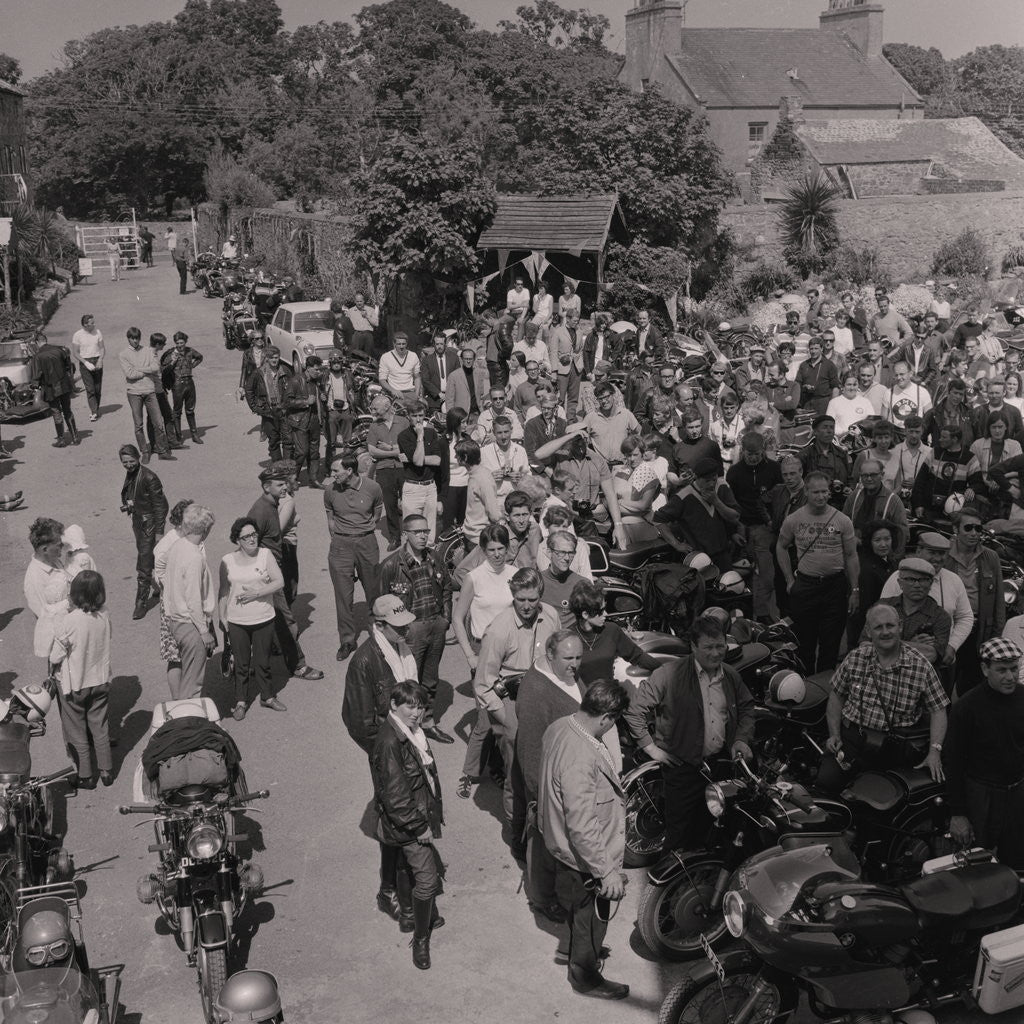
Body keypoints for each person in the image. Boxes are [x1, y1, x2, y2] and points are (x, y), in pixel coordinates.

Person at [623, 614, 755, 852]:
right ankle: (675, 875)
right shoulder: (668, 674)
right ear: (693, 647)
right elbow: (635, 711)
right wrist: (651, 748)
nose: (715, 653)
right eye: (708, 647)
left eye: (720, 646)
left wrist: (741, 739)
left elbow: (746, 707)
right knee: (678, 837)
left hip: (719, 767)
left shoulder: (730, 676)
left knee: (713, 830)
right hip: (682, 770)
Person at [539, 680, 631, 1000]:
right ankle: (585, 976)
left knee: (580, 913)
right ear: (606, 718)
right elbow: (582, 825)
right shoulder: (581, 758)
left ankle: (582, 952)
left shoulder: (561, 726)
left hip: (560, 845)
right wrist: (605, 872)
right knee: (592, 918)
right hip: (583, 857)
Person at [341, 596, 418, 926]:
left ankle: (403, 885)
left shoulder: (401, 649)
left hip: (409, 745)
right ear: (379, 625)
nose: (406, 630)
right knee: (395, 820)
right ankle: (392, 894)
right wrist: (388, 751)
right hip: (388, 752)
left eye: (406, 624)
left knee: (406, 815)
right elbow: (359, 722)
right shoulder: (364, 661)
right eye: (399, 626)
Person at [816, 602, 949, 795]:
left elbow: (939, 710)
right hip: (852, 738)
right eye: (878, 627)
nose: (885, 632)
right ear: (868, 632)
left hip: (892, 747)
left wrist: (934, 751)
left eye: (890, 625)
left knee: (879, 801)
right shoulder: (855, 657)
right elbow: (836, 696)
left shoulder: (921, 666)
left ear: (900, 627)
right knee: (824, 785)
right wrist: (834, 734)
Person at [460, 566, 560, 805]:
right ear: (513, 595)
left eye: (532, 600)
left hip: (543, 696)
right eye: (520, 599)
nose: (526, 606)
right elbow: (483, 685)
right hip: (511, 700)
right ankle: (516, 821)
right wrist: (507, 721)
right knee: (516, 772)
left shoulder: (551, 616)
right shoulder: (498, 630)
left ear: (540, 595)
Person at [370, 680, 445, 970]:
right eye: (409, 707)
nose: (416, 713)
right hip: (410, 823)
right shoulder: (392, 742)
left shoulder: (409, 732)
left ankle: (418, 916)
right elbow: (397, 797)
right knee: (427, 881)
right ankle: (421, 940)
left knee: (410, 869)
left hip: (414, 816)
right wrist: (420, 826)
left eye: (420, 707)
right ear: (394, 705)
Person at [514, 631, 586, 922]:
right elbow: (530, 750)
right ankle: (542, 899)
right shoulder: (536, 693)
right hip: (548, 785)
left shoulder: (566, 673)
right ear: (550, 655)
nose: (575, 664)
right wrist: (539, 796)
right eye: (568, 658)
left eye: (579, 657)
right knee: (543, 842)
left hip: (571, 775)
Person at [944, 638, 1024, 869]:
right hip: (980, 796)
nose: (1010, 677)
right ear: (985, 669)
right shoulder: (966, 708)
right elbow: (953, 762)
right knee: (974, 864)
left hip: (1018, 793)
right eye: (1002, 670)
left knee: (1017, 862)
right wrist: (958, 814)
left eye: (1014, 669)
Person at [379, 514, 454, 743]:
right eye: (417, 532)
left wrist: (445, 619)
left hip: (436, 626)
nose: (423, 536)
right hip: (411, 631)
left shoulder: (435, 557)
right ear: (405, 535)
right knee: (408, 681)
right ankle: (404, 728)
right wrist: (396, 633)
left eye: (425, 531)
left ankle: (428, 723)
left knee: (430, 680)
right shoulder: (391, 565)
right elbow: (381, 603)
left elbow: (447, 588)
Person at [776, 471, 859, 673]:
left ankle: (823, 686)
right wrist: (789, 579)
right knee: (805, 643)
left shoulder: (842, 520)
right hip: (806, 586)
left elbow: (851, 556)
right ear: (806, 491)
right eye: (816, 492)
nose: (821, 496)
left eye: (824, 491)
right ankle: (804, 685)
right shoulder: (794, 519)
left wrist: (855, 590)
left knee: (831, 644)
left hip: (835, 587)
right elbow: (781, 547)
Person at [248, 466, 324, 681]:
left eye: (285, 483)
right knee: (285, 620)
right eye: (280, 484)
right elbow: (247, 542)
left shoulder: (272, 504)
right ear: (266, 487)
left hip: (271, 570)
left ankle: (252, 664)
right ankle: (298, 665)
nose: (285, 487)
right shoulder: (261, 511)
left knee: (271, 620)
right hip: (266, 574)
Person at [49, 570, 113, 789]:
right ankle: (106, 770)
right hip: (100, 680)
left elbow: (55, 656)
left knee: (77, 730)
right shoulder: (104, 614)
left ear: (75, 594)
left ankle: (86, 775)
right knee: (100, 727)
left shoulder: (69, 621)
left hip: (74, 683)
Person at [218, 516, 286, 721]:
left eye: (254, 534)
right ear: (237, 540)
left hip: (263, 617)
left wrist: (257, 593)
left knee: (262, 661)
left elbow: (279, 582)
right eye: (246, 536)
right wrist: (222, 616)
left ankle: (268, 696)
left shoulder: (265, 555)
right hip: (237, 621)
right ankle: (240, 701)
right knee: (241, 664)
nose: (251, 539)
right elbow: (223, 590)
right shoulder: (227, 561)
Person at [323, 453, 383, 662]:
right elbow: (330, 519)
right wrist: (338, 539)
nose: (332, 474)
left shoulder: (373, 488)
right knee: (343, 596)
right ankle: (347, 640)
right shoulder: (330, 491)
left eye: (336, 470)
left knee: (374, 590)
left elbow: (376, 514)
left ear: (349, 471)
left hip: (366, 543)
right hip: (341, 546)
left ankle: (379, 634)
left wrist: (362, 530)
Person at [946, 506, 1005, 695]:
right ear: (956, 529)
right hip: (951, 630)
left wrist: (996, 634)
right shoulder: (945, 556)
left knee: (972, 689)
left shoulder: (990, 557)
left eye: (978, 528)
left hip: (980, 632)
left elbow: (999, 600)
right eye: (968, 528)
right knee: (944, 685)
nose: (974, 533)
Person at [161, 504, 217, 699]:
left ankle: (182, 709)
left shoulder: (177, 546)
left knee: (186, 677)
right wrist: (204, 631)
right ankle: (187, 714)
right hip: (190, 625)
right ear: (205, 529)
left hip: (175, 620)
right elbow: (193, 598)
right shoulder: (194, 557)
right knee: (192, 684)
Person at [726, 433, 782, 622]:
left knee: (766, 574)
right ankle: (745, 614)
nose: (753, 458)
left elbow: (780, 497)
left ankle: (763, 613)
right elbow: (730, 502)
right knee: (744, 572)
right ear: (742, 451)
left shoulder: (774, 469)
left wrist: (774, 523)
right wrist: (734, 530)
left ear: (763, 451)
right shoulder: (734, 472)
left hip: (765, 528)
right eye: (749, 454)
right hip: (742, 527)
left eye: (757, 454)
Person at [655, 456, 741, 570]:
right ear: (697, 478)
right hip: (699, 558)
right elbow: (658, 519)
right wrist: (676, 544)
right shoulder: (683, 496)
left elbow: (735, 517)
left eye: (714, 479)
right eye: (707, 481)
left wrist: (716, 502)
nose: (711, 484)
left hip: (723, 553)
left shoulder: (721, 487)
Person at [570, 580, 659, 686]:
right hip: (581, 695)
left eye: (605, 609)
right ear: (585, 614)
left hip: (609, 693)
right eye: (601, 611)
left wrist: (665, 670)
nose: (606, 614)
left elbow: (638, 656)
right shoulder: (567, 639)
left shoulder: (612, 630)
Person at [119, 444, 168, 620]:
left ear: (138, 458)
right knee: (149, 557)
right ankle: (161, 586)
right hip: (138, 522)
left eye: (131, 461)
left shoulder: (149, 477)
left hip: (149, 525)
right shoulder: (133, 473)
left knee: (144, 563)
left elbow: (161, 506)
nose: (128, 465)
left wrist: (159, 532)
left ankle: (141, 603)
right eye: (125, 462)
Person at [874, 557, 953, 666]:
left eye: (923, 580)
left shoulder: (940, 616)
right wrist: (912, 645)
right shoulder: (882, 607)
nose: (917, 585)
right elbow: (865, 645)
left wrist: (886, 643)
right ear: (900, 583)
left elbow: (931, 654)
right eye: (910, 579)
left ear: (931, 584)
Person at [153, 498, 194, 693]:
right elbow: (160, 577)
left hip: (193, 602)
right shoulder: (167, 544)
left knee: (193, 654)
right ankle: (177, 701)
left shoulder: (194, 537)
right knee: (175, 656)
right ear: (181, 521)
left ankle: (191, 696)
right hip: (174, 605)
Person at [23, 517, 70, 671]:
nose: (62, 546)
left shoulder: (54, 561)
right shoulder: (35, 579)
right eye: (59, 545)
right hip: (60, 641)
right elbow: (46, 616)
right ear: (44, 549)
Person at [120, 327, 170, 463]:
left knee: (158, 422)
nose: (135, 341)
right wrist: (146, 372)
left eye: (137, 338)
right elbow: (129, 374)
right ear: (128, 339)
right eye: (132, 338)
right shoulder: (123, 354)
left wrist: (138, 369)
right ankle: (145, 452)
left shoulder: (148, 351)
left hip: (149, 391)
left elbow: (156, 368)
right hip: (134, 393)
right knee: (139, 425)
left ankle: (161, 451)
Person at [366, 394, 409, 550]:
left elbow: (408, 446)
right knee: (390, 505)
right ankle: (395, 537)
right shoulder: (374, 426)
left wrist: (388, 448)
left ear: (386, 407)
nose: (372, 411)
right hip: (384, 469)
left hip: (404, 468)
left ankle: (412, 534)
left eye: (375, 408)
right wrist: (395, 452)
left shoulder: (403, 422)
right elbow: (372, 450)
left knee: (409, 503)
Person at [847, 519, 899, 648]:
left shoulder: (889, 562)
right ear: (869, 542)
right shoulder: (866, 568)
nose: (883, 544)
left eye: (887, 539)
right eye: (877, 540)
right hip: (868, 630)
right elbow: (866, 607)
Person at [843, 458, 909, 556]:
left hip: (880, 555)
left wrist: (894, 558)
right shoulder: (854, 496)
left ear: (882, 475)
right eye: (865, 475)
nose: (869, 479)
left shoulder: (893, 500)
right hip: (855, 552)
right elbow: (843, 523)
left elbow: (902, 533)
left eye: (873, 475)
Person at [281, 355, 325, 488]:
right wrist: (305, 402)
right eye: (316, 369)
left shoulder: (317, 381)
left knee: (314, 452)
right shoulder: (295, 381)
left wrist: (322, 397)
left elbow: (318, 397)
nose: (319, 372)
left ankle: (313, 479)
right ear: (308, 368)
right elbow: (286, 402)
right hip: (300, 422)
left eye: (320, 369)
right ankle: (291, 479)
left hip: (314, 420)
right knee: (301, 452)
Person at [244, 345, 292, 463]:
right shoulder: (259, 373)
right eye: (272, 358)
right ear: (267, 358)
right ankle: (277, 465)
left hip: (284, 411)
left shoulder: (285, 370)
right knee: (274, 440)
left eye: (276, 357)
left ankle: (287, 466)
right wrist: (254, 407)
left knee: (288, 440)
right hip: (268, 412)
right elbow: (249, 389)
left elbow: (293, 387)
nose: (274, 360)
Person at [967, 413, 1023, 514]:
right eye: (994, 427)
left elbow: (1018, 470)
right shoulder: (977, 444)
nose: (997, 431)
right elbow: (971, 470)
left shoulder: (1015, 445)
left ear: (1006, 427)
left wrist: (999, 479)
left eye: (1000, 427)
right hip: (982, 484)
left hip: (1005, 484)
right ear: (988, 428)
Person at [30, 335, 79, 448]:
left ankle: (61, 439)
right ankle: (75, 437)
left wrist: (35, 386)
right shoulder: (60, 350)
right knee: (67, 410)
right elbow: (69, 366)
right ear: (45, 340)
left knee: (56, 412)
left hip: (50, 388)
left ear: (37, 342)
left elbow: (36, 375)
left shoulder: (37, 356)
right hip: (64, 385)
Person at [161, 331, 204, 445]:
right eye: (177, 343)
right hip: (177, 384)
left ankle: (194, 434)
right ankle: (179, 436)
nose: (180, 345)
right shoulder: (171, 353)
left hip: (189, 382)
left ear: (185, 342)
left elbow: (200, 357)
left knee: (190, 410)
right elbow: (163, 368)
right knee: (177, 411)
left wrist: (192, 366)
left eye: (182, 343)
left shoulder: (190, 351)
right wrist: (172, 362)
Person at [581, 383, 640, 465]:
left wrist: (633, 451)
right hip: (601, 466)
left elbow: (639, 432)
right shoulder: (591, 417)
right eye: (600, 399)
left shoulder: (626, 414)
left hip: (623, 465)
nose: (604, 401)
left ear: (613, 395)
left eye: (606, 397)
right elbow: (580, 438)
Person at [461, 438, 504, 551]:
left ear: (465, 457)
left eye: (457, 455)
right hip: (471, 534)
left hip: (479, 538)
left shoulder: (482, 478)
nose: (455, 457)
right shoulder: (474, 474)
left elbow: (494, 514)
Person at [539, 531, 587, 628]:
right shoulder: (537, 580)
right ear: (549, 552)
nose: (567, 558)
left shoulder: (582, 584)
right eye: (562, 552)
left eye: (571, 553)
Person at [479, 416, 528, 502]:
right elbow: (477, 480)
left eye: (506, 432)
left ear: (511, 430)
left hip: (517, 500)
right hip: (494, 499)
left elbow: (529, 477)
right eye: (499, 433)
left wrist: (521, 478)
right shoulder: (484, 452)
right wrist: (489, 478)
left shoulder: (521, 450)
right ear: (493, 432)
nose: (503, 436)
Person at [70, 314, 105, 421]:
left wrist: (100, 360)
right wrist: (86, 363)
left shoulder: (97, 332)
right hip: (85, 363)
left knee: (97, 389)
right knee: (90, 389)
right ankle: (94, 412)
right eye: (92, 323)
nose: (94, 324)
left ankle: (96, 408)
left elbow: (102, 348)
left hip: (97, 360)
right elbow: (75, 352)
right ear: (85, 325)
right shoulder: (77, 335)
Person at [323, 353, 354, 466]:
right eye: (334, 363)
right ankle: (329, 467)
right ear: (330, 363)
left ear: (342, 363)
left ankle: (347, 465)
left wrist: (352, 403)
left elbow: (353, 389)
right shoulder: (325, 375)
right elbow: (320, 389)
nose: (336, 365)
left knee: (348, 441)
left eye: (338, 362)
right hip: (331, 411)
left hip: (346, 410)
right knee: (331, 442)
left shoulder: (347, 374)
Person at [796, 337, 840, 415]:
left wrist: (833, 406)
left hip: (823, 403)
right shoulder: (803, 365)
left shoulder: (829, 365)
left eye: (816, 348)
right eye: (811, 349)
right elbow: (797, 384)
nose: (813, 351)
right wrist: (804, 387)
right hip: (806, 402)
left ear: (822, 349)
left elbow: (835, 387)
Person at [882, 361, 933, 427]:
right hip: (895, 432)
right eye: (896, 375)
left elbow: (929, 419)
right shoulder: (888, 392)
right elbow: (883, 419)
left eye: (902, 374)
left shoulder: (922, 392)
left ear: (910, 374)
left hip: (914, 431)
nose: (899, 378)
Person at [973, 377, 1024, 442]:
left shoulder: (1014, 412)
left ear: (1004, 392)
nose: (994, 396)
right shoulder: (977, 412)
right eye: (991, 393)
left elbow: (1020, 436)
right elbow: (972, 436)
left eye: (997, 393)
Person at [827, 371, 875, 435]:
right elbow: (828, 425)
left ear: (858, 386)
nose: (852, 388)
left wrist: (862, 431)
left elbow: (872, 424)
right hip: (840, 439)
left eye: (854, 385)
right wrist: (845, 432)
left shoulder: (866, 402)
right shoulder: (833, 403)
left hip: (861, 439)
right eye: (849, 384)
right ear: (843, 386)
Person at [421, 334, 460, 414]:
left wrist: (450, 393)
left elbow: (458, 377)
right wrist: (438, 393)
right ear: (434, 345)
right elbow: (425, 380)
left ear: (445, 344)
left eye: (441, 344)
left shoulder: (454, 358)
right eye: (437, 344)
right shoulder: (427, 360)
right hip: (434, 400)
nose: (439, 346)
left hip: (451, 398)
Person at [378, 333, 421, 404]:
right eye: (399, 344)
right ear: (394, 344)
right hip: (394, 394)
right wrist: (393, 390)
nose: (401, 346)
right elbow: (382, 380)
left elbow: (417, 377)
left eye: (403, 344)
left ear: (407, 344)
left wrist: (417, 394)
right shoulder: (386, 357)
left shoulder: (413, 356)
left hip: (410, 392)